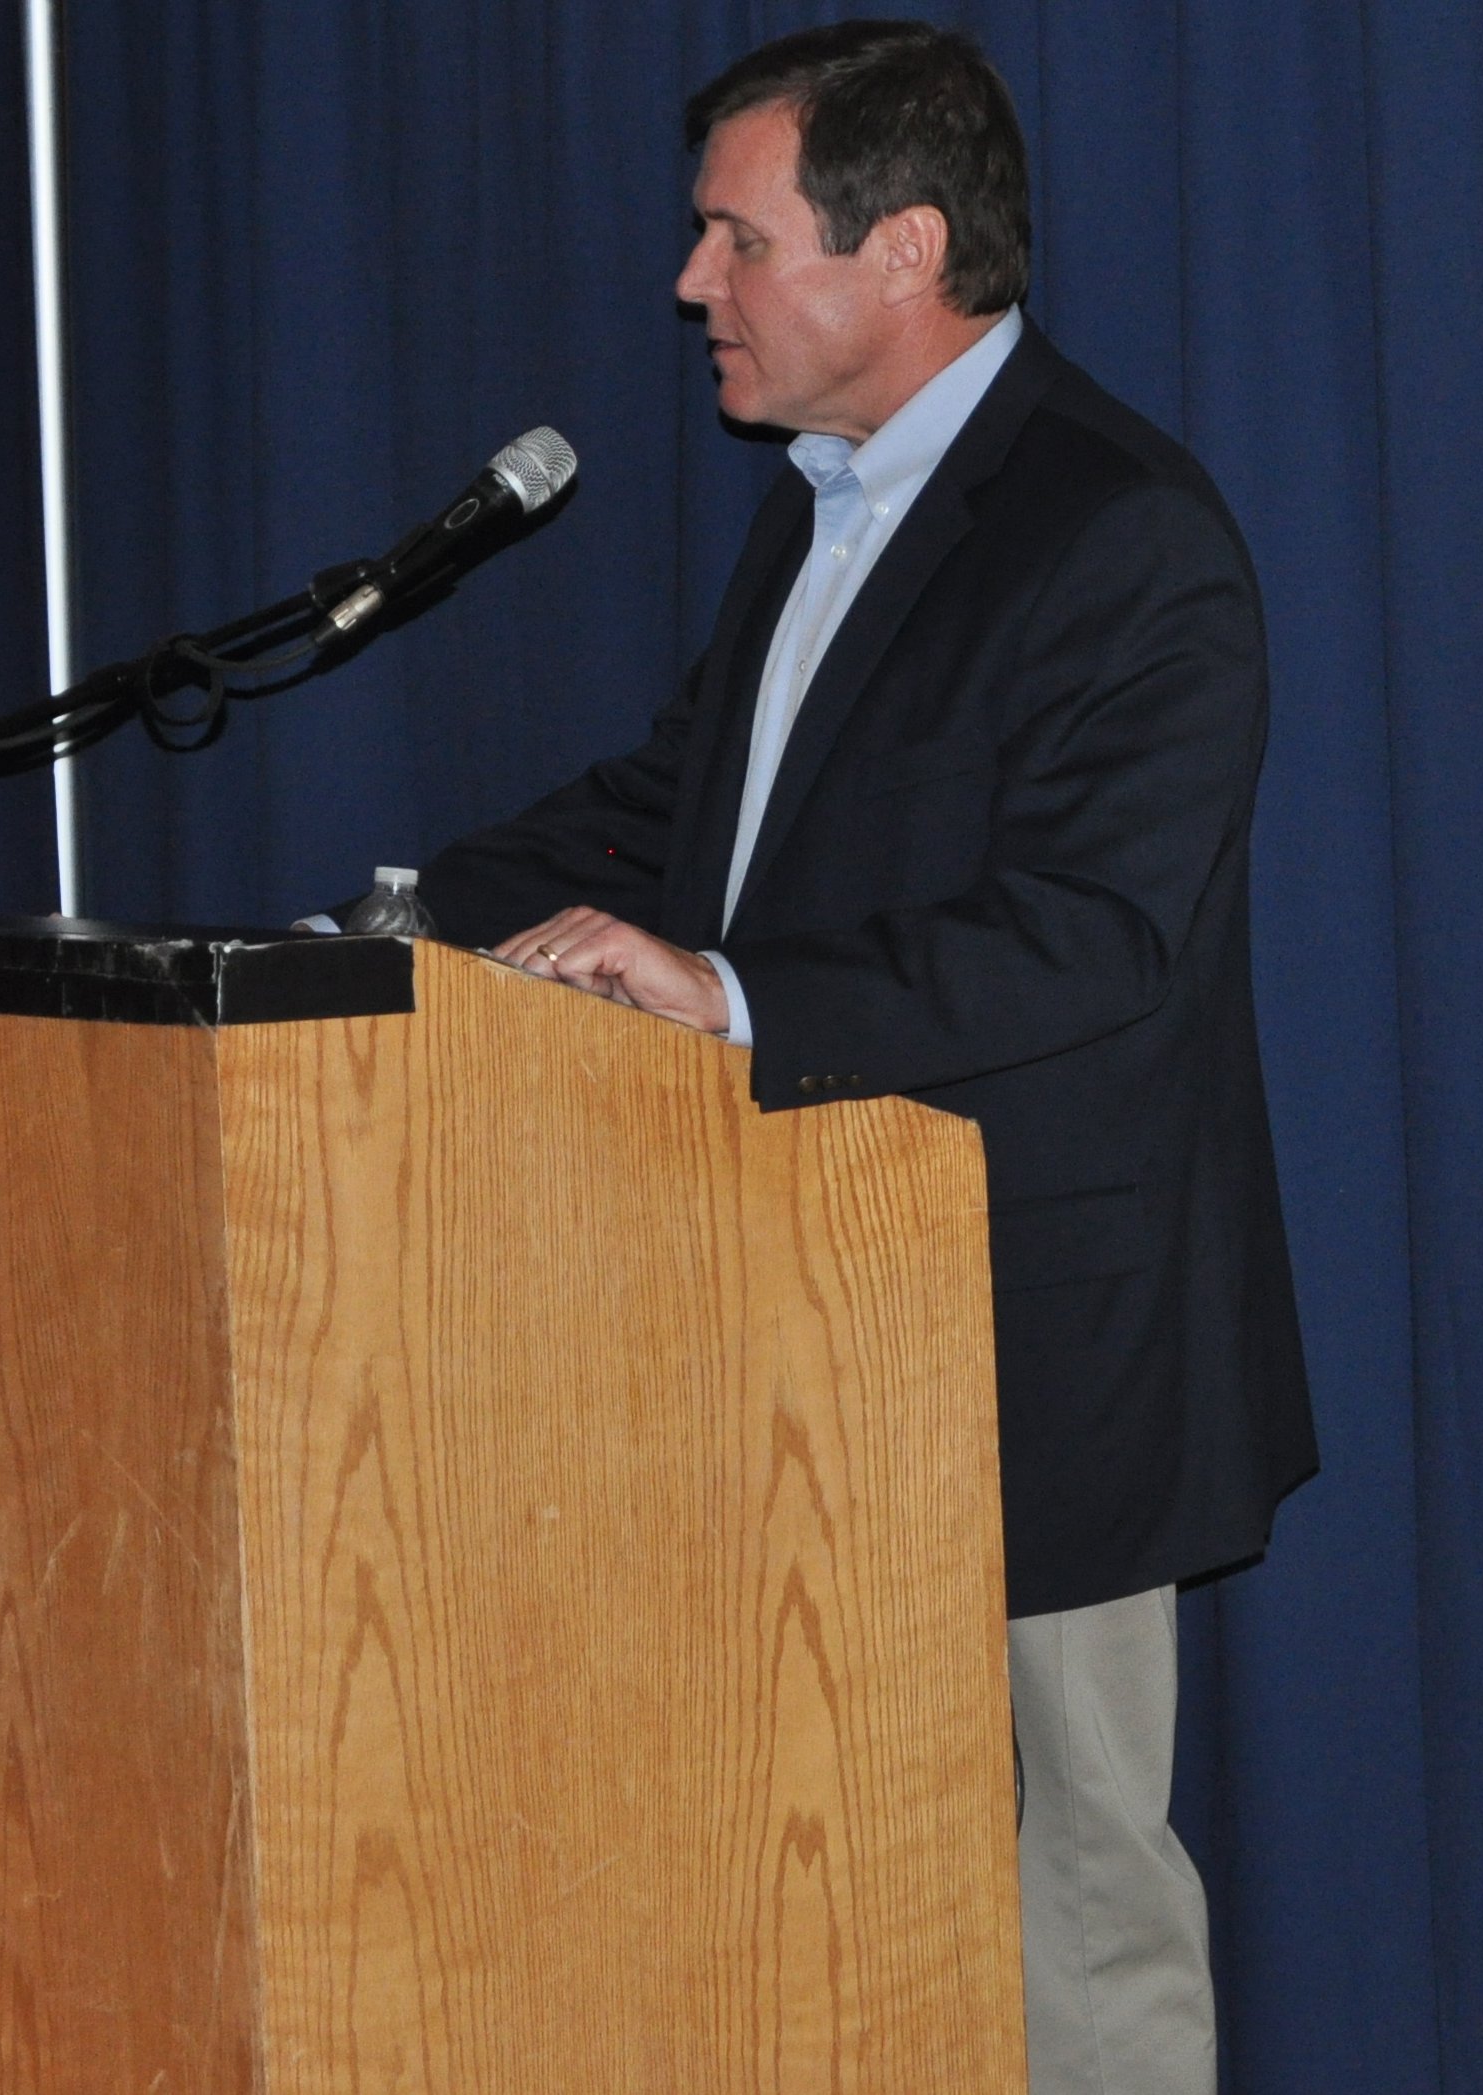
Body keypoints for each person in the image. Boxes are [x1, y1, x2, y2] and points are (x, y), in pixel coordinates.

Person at [397, 22, 1317, 2094]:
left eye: (736, 239)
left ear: (904, 249)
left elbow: (1097, 928)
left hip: (1031, 1343)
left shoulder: (1122, 530)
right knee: (817, 1867)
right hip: (788, 1310)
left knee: (1070, 1894)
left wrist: (729, 995)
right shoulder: (822, 508)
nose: (689, 284)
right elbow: (696, 814)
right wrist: (410, 911)